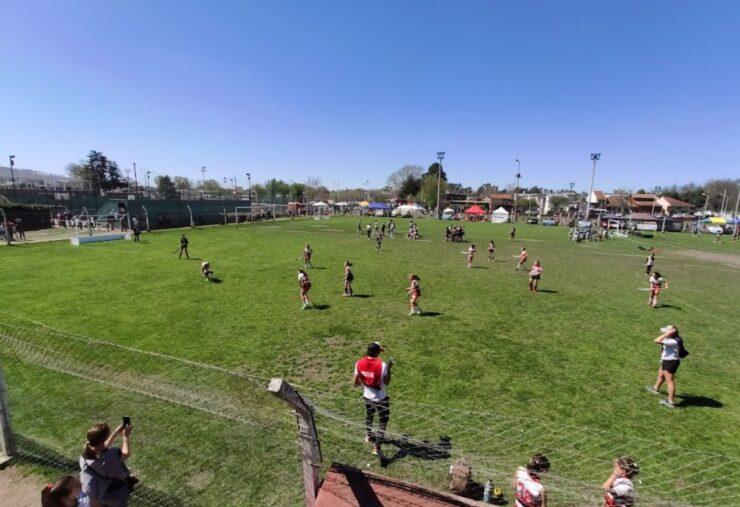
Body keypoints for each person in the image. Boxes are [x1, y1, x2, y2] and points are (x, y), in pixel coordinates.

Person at [79, 421, 136, 507]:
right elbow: (125, 453)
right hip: (115, 493)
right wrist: (125, 437)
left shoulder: (85, 455)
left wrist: (116, 432)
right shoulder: (112, 455)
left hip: (98, 493)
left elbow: (103, 446)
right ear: (105, 438)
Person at [353, 341, 393, 457]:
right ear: (376, 352)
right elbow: (387, 382)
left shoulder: (359, 363)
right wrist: (389, 369)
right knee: (383, 421)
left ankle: (369, 435)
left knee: (369, 415)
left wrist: (366, 383)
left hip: (367, 396)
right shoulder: (383, 365)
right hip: (381, 398)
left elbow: (355, 383)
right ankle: (377, 447)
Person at [646, 325, 684, 408]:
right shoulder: (672, 338)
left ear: (671, 332)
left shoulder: (674, 341)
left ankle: (670, 402)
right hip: (668, 360)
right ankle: (655, 388)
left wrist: (667, 334)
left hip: (670, 362)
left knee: (670, 381)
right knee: (661, 373)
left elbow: (656, 340)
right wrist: (667, 334)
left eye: (666, 331)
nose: (664, 332)